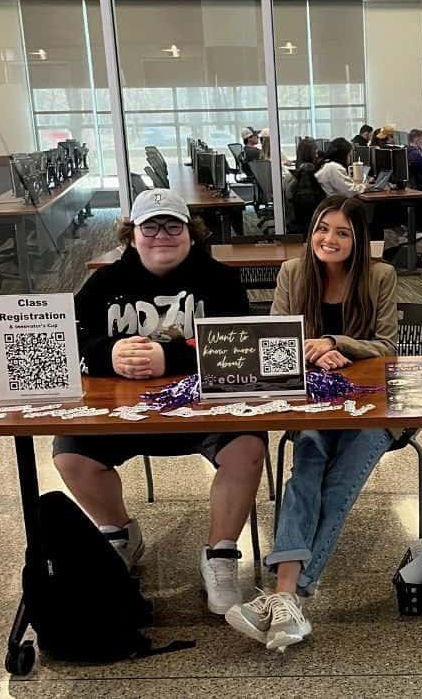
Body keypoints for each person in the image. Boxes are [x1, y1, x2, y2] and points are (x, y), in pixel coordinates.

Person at [53, 189, 266, 616]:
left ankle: (221, 555)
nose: (161, 235)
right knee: (70, 454)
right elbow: (67, 335)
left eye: (173, 225)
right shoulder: (104, 282)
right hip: (123, 413)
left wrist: (171, 358)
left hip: (204, 412)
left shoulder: (221, 280)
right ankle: (119, 533)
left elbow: (244, 345)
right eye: (150, 226)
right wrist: (107, 355)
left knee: (248, 447)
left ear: (190, 232)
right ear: (132, 235)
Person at [225, 195, 397, 651]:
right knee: (308, 466)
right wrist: (311, 352)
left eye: (343, 232)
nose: (330, 239)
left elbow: (388, 346)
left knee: (338, 482)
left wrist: (335, 341)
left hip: (374, 406)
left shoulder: (380, 276)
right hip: (313, 402)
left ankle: (287, 596)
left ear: (358, 239)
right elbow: (273, 339)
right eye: (324, 228)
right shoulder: (293, 274)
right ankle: (289, 600)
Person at [284, 137, 326, 235]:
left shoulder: (290, 176)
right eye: (315, 152)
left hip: (293, 226)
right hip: (312, 226)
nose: (317, 155)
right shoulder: (311, 175)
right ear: (310, 155)